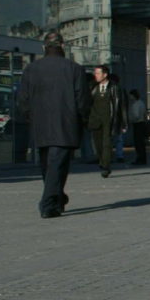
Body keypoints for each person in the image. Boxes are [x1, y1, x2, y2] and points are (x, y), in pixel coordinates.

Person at [17, 31, 89, 218]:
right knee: (57, 165)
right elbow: (82, 100)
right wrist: (82, 120)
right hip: (66, 124)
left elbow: (23, 99)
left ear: (44, 47)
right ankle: (49, 204)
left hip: (40, 125)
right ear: (63, 46)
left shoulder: (31, 69)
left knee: (48, 166)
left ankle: (56, 198)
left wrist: (30, 118)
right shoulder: (75, 69)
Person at [86, 64, 126, 178]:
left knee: (107, 144)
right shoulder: (92, 87)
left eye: (98, 73)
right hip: (95, 119)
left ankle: (106, 166)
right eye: (95, 73)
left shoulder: (115, 88)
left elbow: (121, 107)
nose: (96, 75)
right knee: (98, 144)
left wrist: (123, 123)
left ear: (105, 74)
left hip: (109, 119)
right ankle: (102, 161)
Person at [127, 88, 150, 166]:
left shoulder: (135, 105)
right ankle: (143, 159)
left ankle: (139, 158)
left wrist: (131, 120)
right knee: (142, 143)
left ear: (133, 96)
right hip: (142, 123)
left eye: (130, 96)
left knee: (138, 143)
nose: (130, 97)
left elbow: (136, 116)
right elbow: (145, 113)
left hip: (137, 124)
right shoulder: (141, 103)